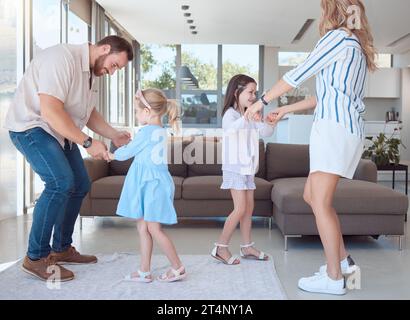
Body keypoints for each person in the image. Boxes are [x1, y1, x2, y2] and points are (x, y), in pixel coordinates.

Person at [245, 0, 376, 295]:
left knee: (320, 202)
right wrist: (286, 111)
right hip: (344, 129)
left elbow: (297, 74)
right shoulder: (355, 46)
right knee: (311, 195)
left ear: (332, 10)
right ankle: (344, 265)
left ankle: (333, 278)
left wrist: (261, 101)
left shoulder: (338, 37)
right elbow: (321, 97)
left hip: (334, 129)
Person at [4, 35, 134, 282]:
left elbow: (87, 112)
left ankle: (61, 248)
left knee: (81, 184)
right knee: (60, 183)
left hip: (59, 132)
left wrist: (113, 134)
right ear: (105, 48)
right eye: (115, 65)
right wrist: (87, 142)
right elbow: (51, 111)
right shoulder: (61, 58)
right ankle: (36, 257)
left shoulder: (91, 74)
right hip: (32, 127)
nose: (113, 72)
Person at [106, 88, 186, 283]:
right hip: (150, 183)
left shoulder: (147, 131)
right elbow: (141, 150)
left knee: (153, 228)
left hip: (151, 185)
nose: (135, 114)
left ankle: (178, 267)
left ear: (147, 112)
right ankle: (144, 271)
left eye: (136, 110)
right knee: (143, 227)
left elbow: (127, 152)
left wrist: (111, 155)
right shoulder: (159, 130)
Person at [211, 74, 275, 265]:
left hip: (248, 169)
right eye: (250, 92)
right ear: (237, 92)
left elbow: (265, 132)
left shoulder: (249, 113)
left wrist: (269, 121)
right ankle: (220, 247)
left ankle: (247, 246)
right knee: (239, 209)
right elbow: (230, 131)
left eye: (255, 92)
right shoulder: (230, 114)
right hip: (234, 168)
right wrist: (249, 116)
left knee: (248, 209)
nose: (253, 96)